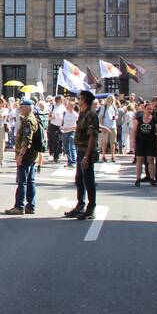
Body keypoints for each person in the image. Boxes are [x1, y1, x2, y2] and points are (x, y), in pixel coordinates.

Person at [63, 90, 100, 219]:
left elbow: (92, 136)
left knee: (88, 180)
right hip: (80, 150)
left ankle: (91, 207)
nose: (78, 100)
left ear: (84, 100)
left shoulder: (91, 114)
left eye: (80, 98)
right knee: (79, 179)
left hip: (86, 151)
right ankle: (80, 205)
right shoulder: (83, 113)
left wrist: (86, 156)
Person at [5, 99, 39, 216]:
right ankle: (30, 205)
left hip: (26, 155)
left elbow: (27, 140)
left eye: (22, 107)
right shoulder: (31, 119)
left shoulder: (28, 121)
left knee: (22, 181)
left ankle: (19, 206)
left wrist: (20, 155)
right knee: (30, 181)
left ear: (28, 107)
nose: (20, 109)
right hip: (32, 155)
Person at [132, 102, 157, 186]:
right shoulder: (138, 119)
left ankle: (152, 179)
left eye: (151, 109)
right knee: (139, 160)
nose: (149, 110)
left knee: (150, 160)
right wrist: (133, 141)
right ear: (144, 109)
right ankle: (138, 179)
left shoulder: (155, 119)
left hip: (151, 142)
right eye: (148, 108)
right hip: (140, 142)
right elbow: (134, 131)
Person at [98, 95, 118, 162]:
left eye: (112, 99)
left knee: (113, 142)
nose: (111, 101)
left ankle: (113, 156)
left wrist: (115, 117)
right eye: (110, 99)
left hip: (113, 126)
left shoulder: (114, 107)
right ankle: (103, 156)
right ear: (107, 100)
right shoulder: (104, 107)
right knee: (105, 142)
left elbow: (117, 115)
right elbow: (100, 116)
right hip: (105, 126)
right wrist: (101, 126)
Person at [61, 99, 79, 168]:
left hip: (72, 132)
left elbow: (77, 126)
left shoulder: (75, 115)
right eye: (68, 105)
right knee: (66, 147)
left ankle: (73, 162)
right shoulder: (65, 113)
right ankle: (69, 161)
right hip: (64, 132)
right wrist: (61, 127)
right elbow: (62, 121)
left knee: (72, 147)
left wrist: (67, 129)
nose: (69, 106)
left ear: (74, 106)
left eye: (71, 105)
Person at [48, 95, 65, 163]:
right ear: (58, 100)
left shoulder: (63, 107)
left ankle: (57, 153)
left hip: (61, 126)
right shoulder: (52, 107)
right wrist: (52, 117)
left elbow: (64, 115)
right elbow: (48, 116)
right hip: (53, 126)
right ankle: (55, 156)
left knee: (60, 141)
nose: (63, 101)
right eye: (62, 99)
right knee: (55, 141)